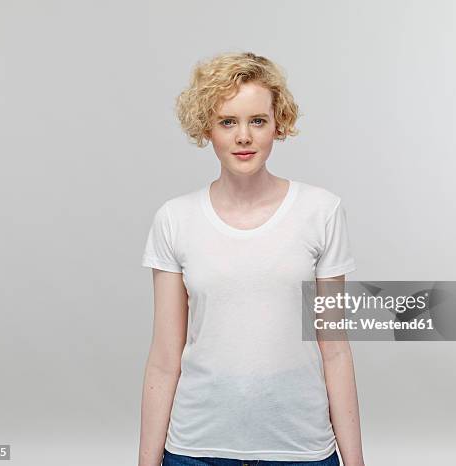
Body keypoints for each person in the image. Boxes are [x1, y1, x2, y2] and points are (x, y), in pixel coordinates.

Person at [138, 51, 365, 466]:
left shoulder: (321, 211)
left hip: (301, 451)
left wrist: (355, 462)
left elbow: (334, 349)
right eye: (228, 121)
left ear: (278, 124)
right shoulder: (175, 219)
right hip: (196, 451)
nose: (244, 136)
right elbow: (164, 358)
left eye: (257, 121)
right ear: (207, 127)